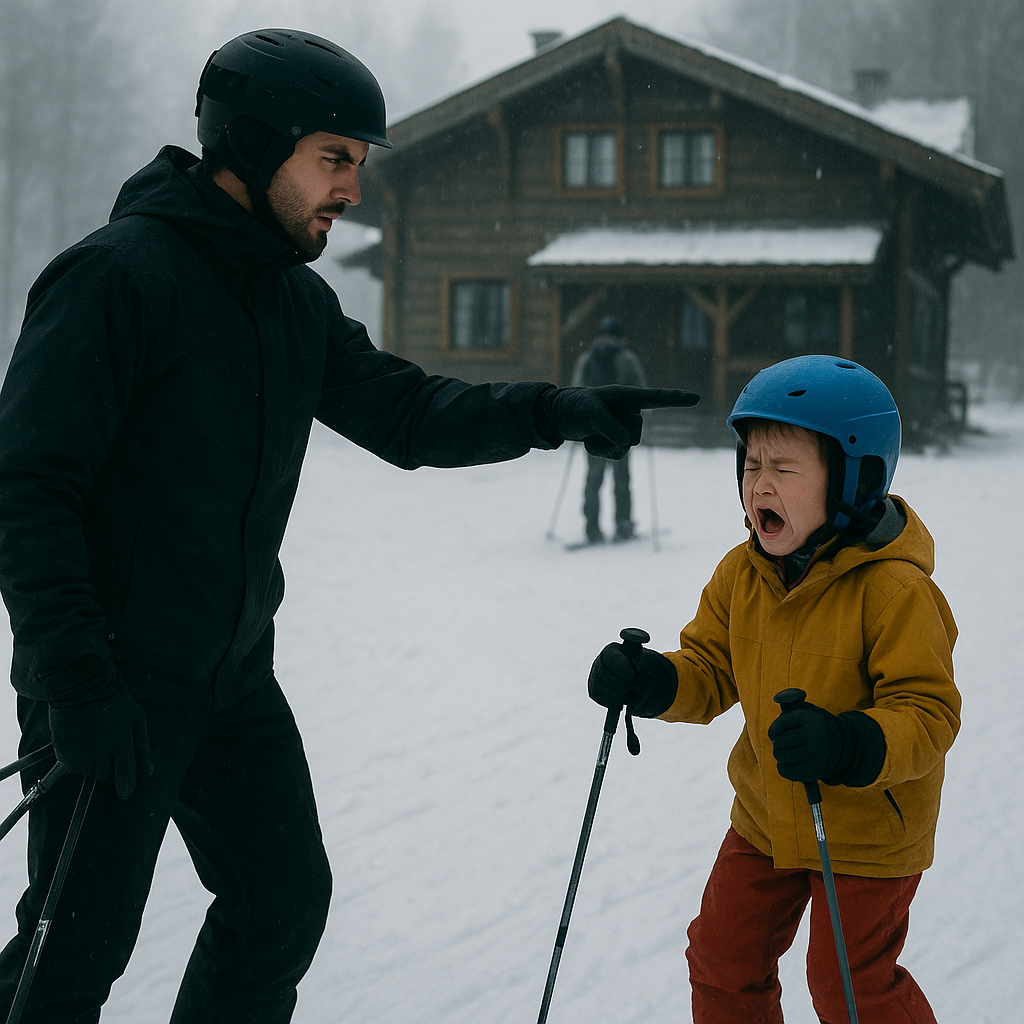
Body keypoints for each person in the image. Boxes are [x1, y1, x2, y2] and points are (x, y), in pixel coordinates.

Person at [0, 28, 699, 1023]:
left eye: (359, 163)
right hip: (111, 686)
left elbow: (405, 411)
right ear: (252, 143)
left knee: (279, 904)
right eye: (335, 158)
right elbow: (28, 489)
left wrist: (551, 410)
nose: (354, 190)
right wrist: (76, 682)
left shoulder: (293, 302)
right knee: (71, 952)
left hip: (231, 683)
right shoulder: (117, 278)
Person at [588, 355, 959, 1022]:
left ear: (854, 479)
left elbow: (927, 713)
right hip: (766, 817)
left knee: (848, 986)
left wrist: (848, 741)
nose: (760, 483)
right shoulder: (743, 574)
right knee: (722, 957)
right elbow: (710, 668)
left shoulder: (896, 590)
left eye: (784, 469)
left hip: (870, 829)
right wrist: (654, 681)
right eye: (752, 465)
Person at [571, 316, 648, 543]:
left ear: (596, 338)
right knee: (621, 478)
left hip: (593, 430)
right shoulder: (628, 358)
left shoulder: (586, 359)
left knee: (593, 479)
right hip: (620, 429)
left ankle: (592, 529)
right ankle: (623, 525)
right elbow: (641, 392)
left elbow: (575, 391)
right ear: (622, 338)